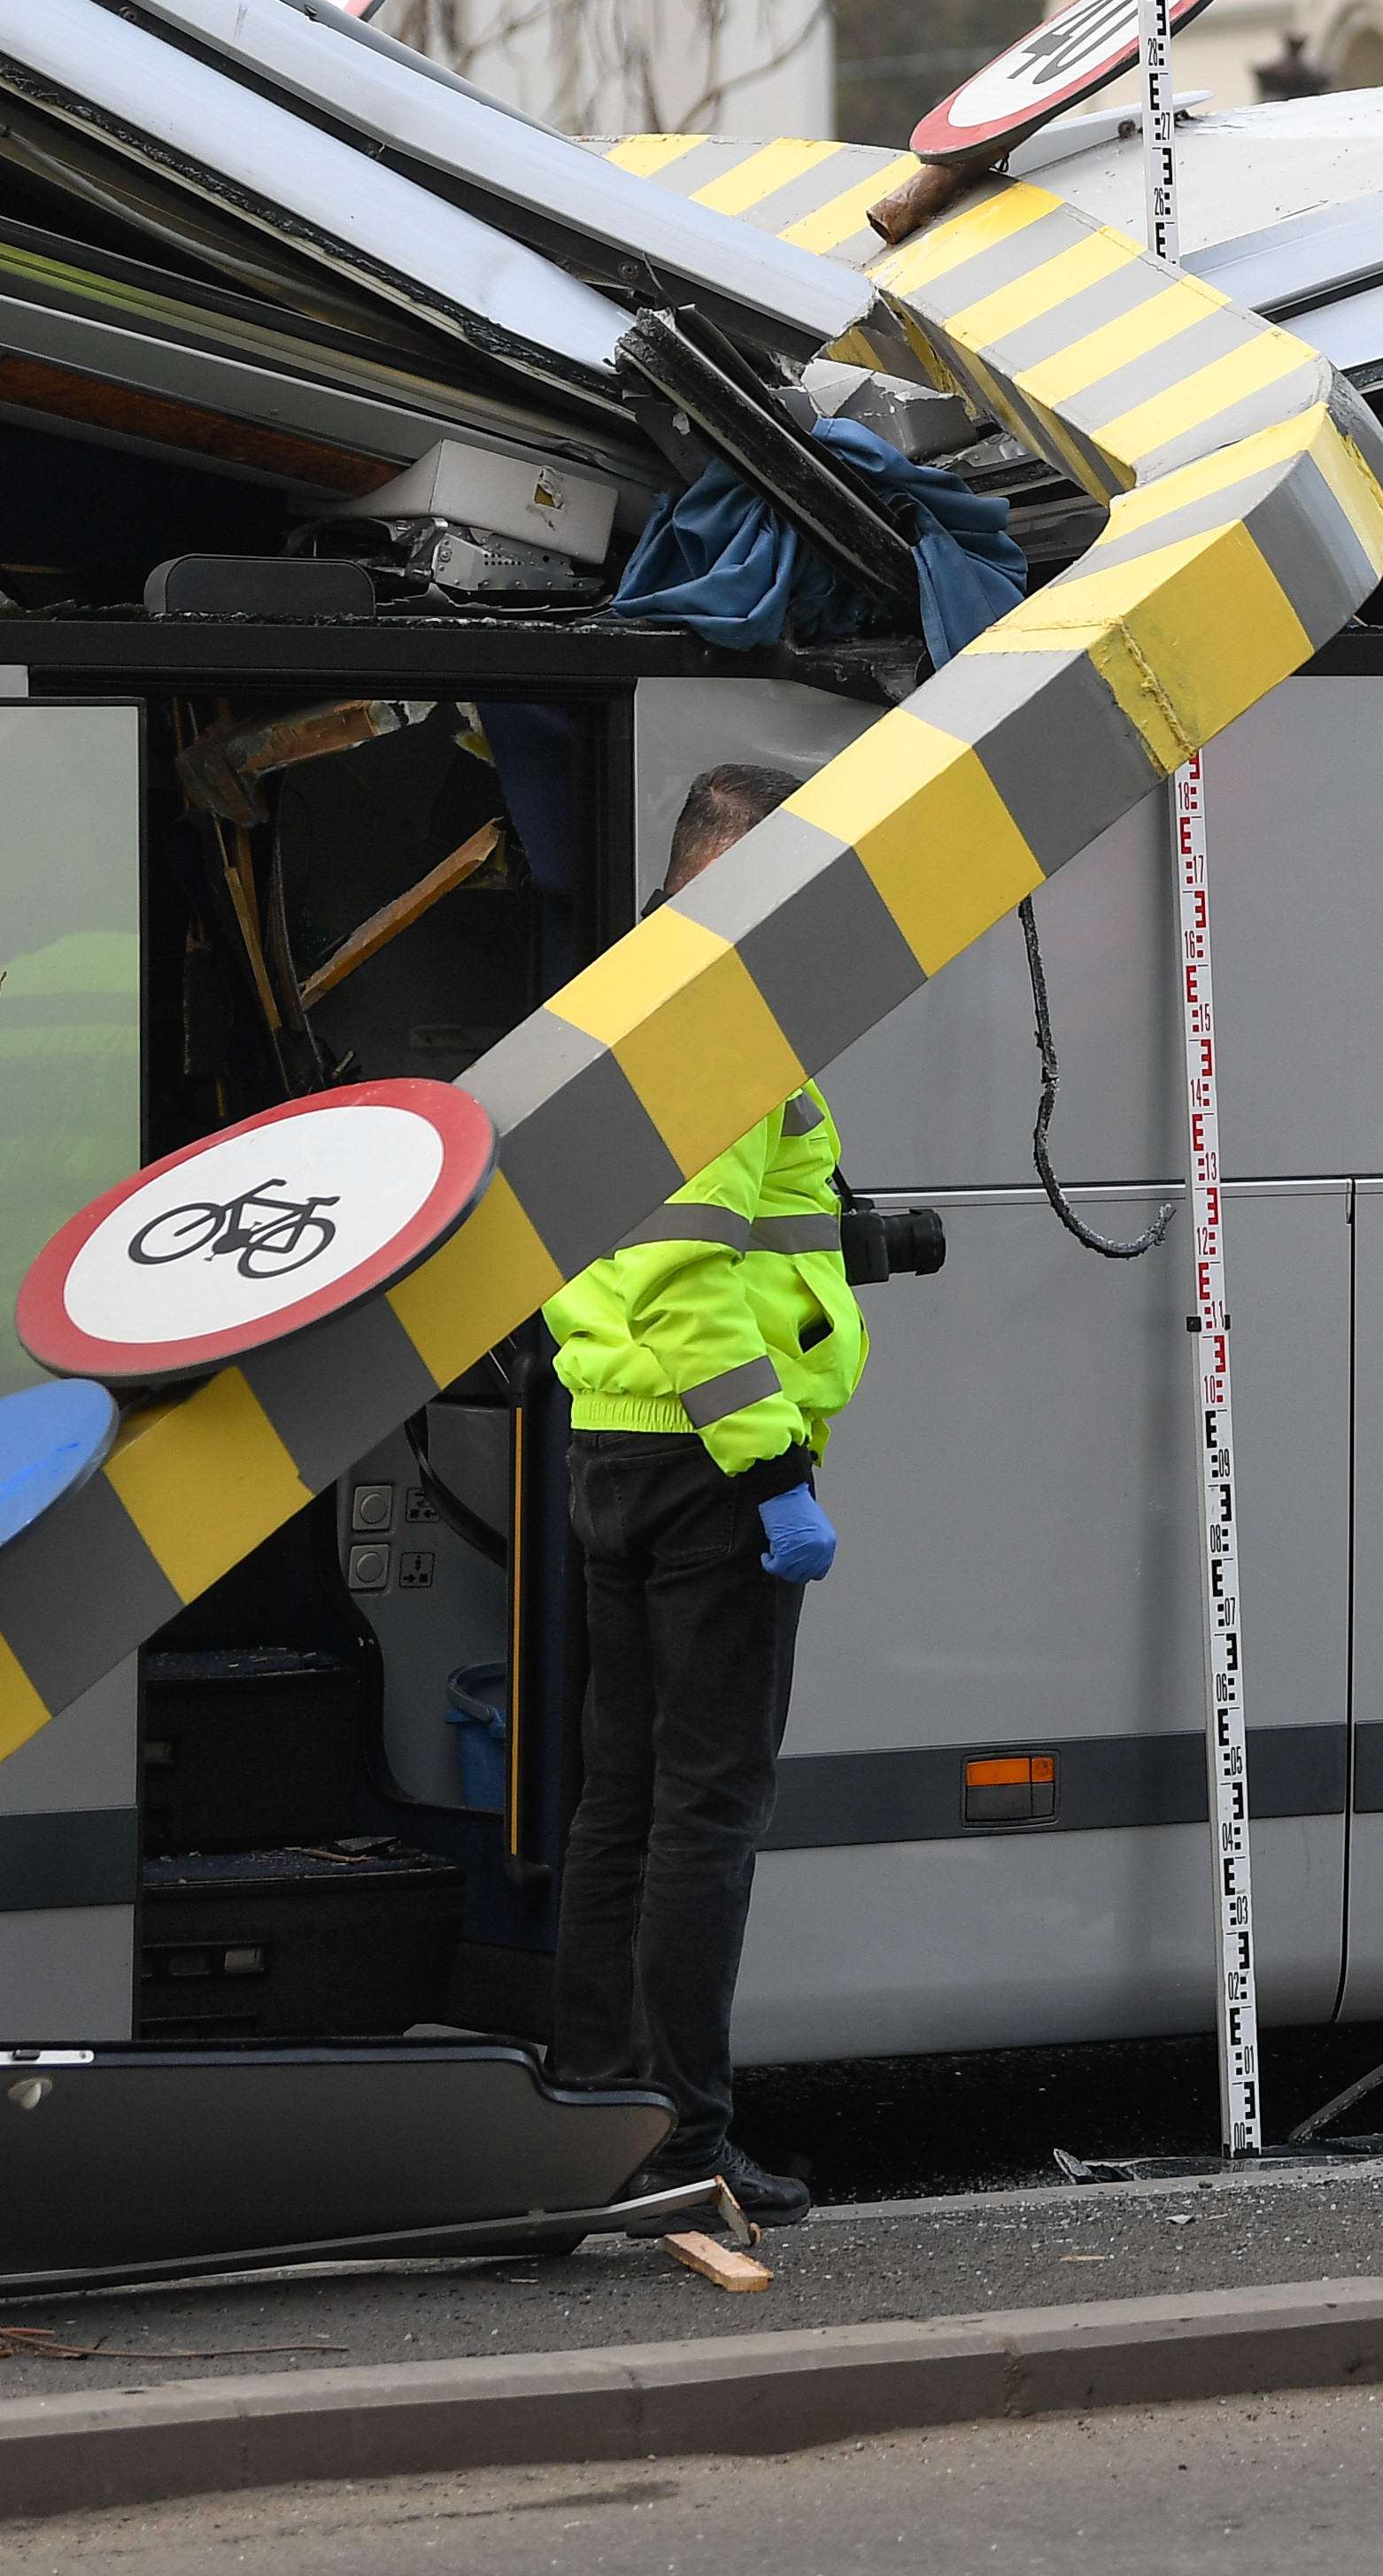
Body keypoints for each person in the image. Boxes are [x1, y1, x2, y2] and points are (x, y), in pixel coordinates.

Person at [543, 761, 865, 2229]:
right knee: (706, 1808)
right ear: (725, 865)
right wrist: (775, 1473)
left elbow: (664, 1252)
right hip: (706, 1467)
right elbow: (684, 1280)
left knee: (623, 1799)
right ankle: (684, 2139)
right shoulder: (720, 1022)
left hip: (610, 1444)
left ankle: (597, 2104)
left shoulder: (609, 1005)